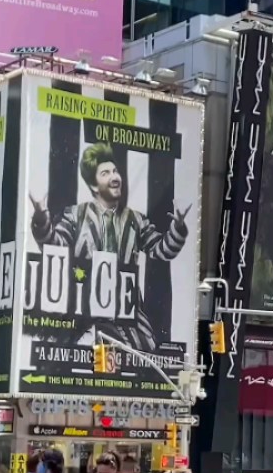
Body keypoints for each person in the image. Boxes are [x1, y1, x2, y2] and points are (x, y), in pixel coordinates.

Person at [29, 144, 190, 353]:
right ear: (94, 186)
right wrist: (41, 220)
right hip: (85, 312)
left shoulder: (136, 220)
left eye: (115, 171)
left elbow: (162, 250)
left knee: (145, 359)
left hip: (127, 314)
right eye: (105, 173)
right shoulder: (75, 215)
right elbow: (54, 246)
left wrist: (177, 228)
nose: (115, 177)